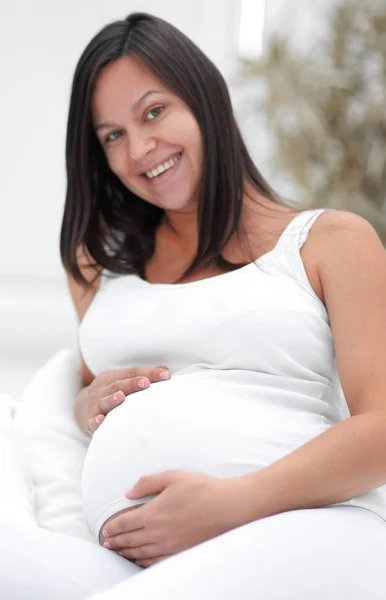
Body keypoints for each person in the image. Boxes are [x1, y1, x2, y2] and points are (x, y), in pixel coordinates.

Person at [3, 11, 386, 600]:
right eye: (112, 136)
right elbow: (89, 395)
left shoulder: (331, 242)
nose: (139, 149)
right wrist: (86, 406)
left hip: (303, 528)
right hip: (141, 563)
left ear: (204, 99)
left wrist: (234, 501)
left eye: (154, 112)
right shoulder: (98, 266)